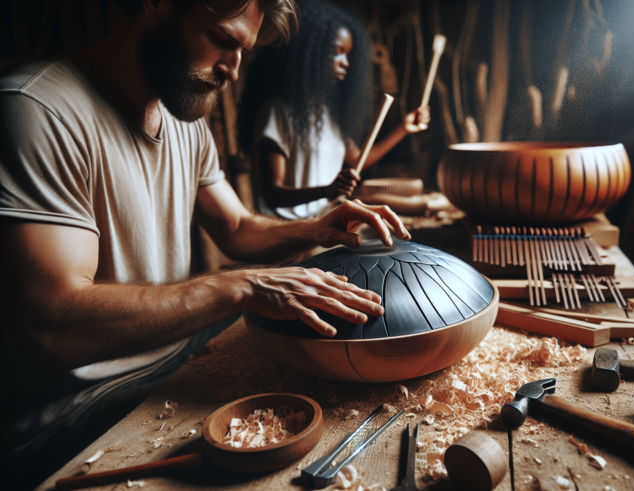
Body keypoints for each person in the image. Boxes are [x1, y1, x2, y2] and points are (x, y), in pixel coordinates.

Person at [0, 0, 410, 485]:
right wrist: (240, 287)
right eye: (221, 39)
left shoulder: (181, 117)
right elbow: (55, 329)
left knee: (358, 410)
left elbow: (237, 228)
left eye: (243, 50)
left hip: (179, 358)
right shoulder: (37, 110)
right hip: (78, 410)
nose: (233, 70)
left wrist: (314, 228)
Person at [237, 0, 430, 220]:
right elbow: (272, 195)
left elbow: (359, 160)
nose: (345, 62)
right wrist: (327, 191)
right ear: (312, 53)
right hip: (286, 233)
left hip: (324, 223)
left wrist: (403, 129)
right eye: (337, 52)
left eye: (348, 54)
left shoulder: (330, 114)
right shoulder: (277, 111)